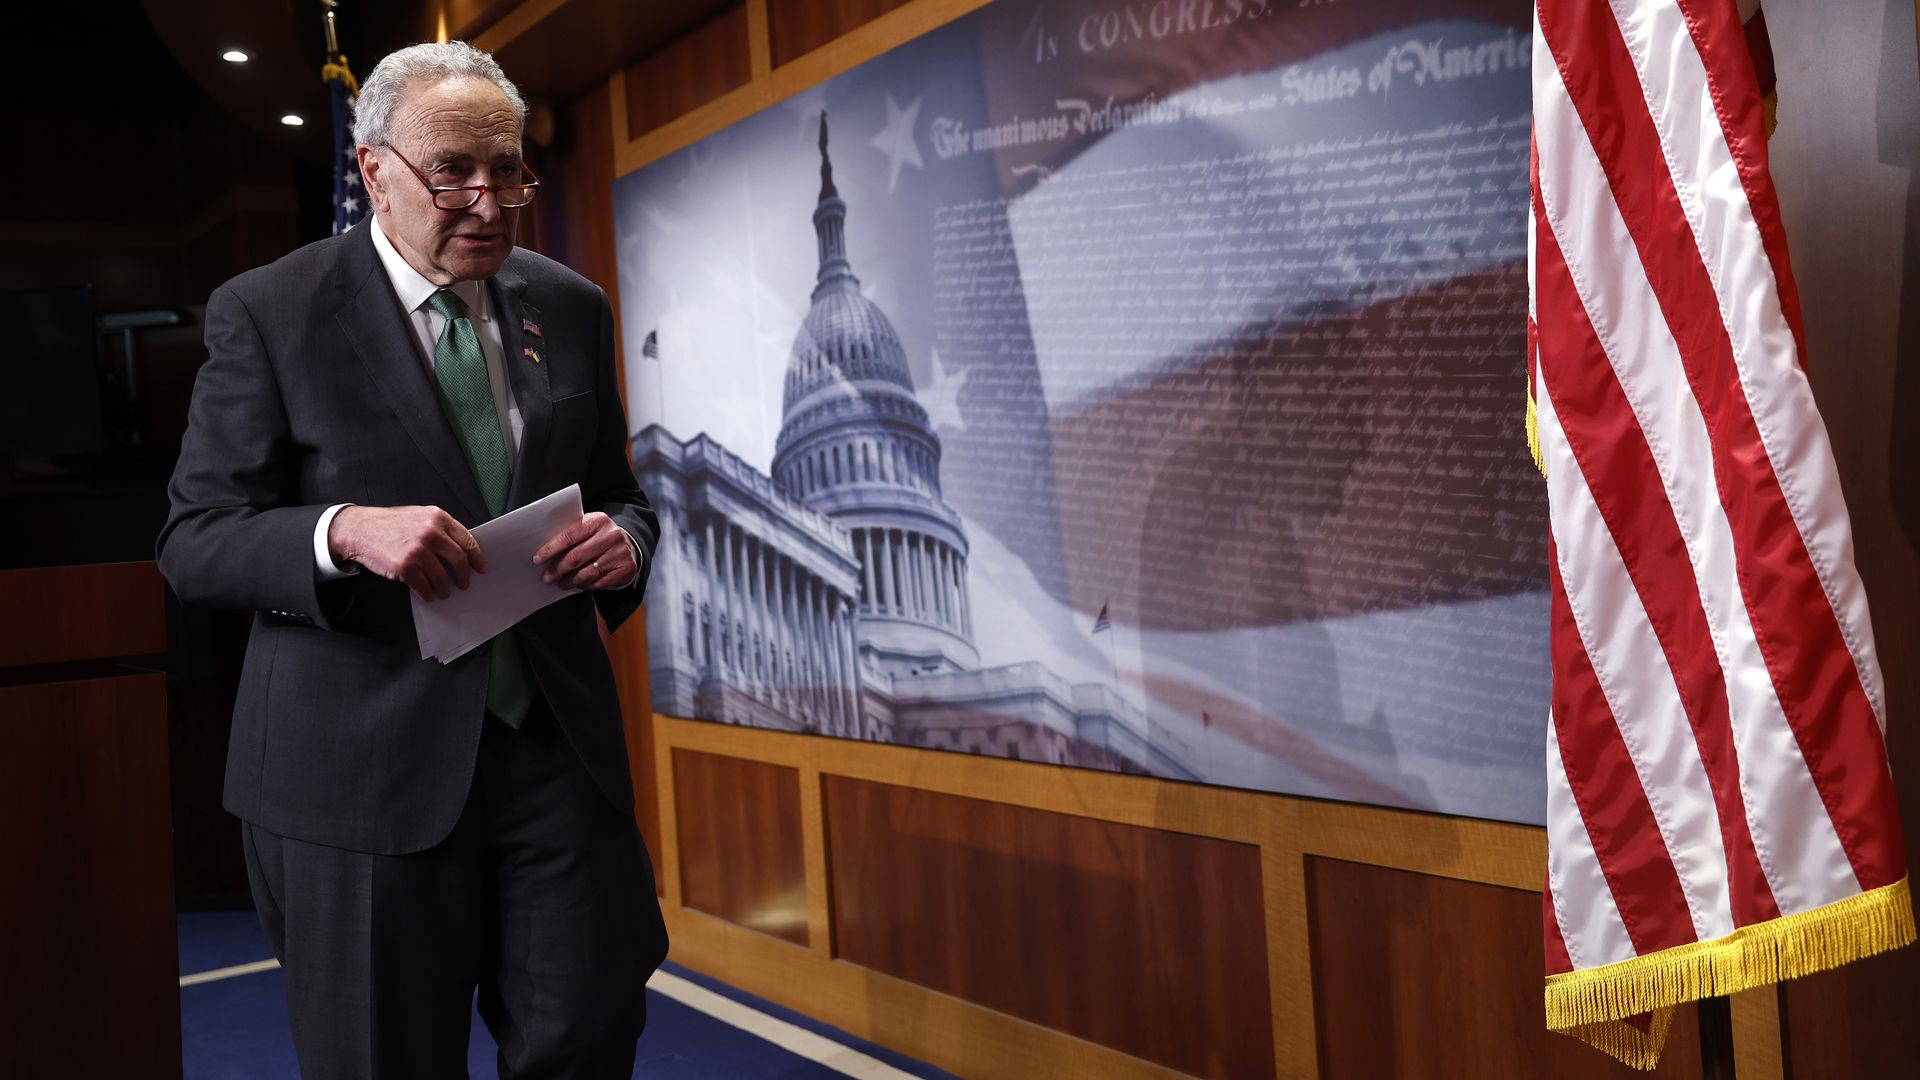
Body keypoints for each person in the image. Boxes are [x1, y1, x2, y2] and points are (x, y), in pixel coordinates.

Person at [158, 41, 668, 1079]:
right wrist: (340, 530)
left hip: (554, 757)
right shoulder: (269, 310)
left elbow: (621, 493)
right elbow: (193, 541)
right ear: (373, 168)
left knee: (589, 1040)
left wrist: (628, 543)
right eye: (453, 174)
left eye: (510, 170)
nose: (488, 201)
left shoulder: (570, 306)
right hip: (357, 778)